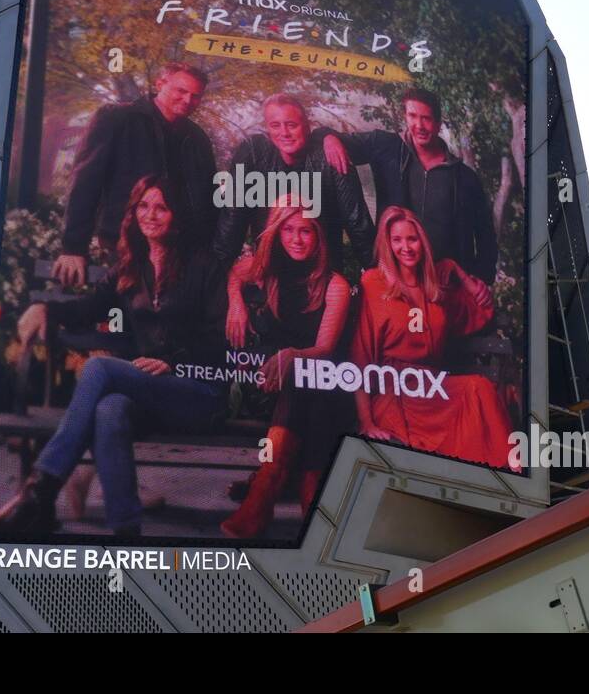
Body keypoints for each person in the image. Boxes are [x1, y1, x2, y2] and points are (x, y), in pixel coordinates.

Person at [0, 175, 228, 538]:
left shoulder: (204, 266)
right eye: (144, 206)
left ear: (177, 215)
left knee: (100, 367)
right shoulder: (130, 267)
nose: (151, 215)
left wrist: (175, 362)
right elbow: (88, 308)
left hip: (198, 390)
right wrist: (45, 309)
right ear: (134, 212)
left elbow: (222, 341)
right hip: (149, 393)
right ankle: (125, 530)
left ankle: (43, 486)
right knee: (109, 410)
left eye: (161, 207)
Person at [220, 197, 353, 538]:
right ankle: (311, 503)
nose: (296, 239)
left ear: (318, 236)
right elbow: (234, 276)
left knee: (308, 382)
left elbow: (324, 349)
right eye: (288, 230)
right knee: (311, 391)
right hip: (264, 387)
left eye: (305, 231)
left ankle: (265, 490)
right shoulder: (266, 272)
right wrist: (236, 303)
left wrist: (292, 355)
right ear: (277, 234)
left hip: (305, 385)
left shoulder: (335, 285)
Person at [350, 206, 512, 468]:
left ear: (422, 242)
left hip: (433, 387)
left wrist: (456, 271)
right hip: (396, 388)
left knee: (478, 388)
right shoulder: (373, 283)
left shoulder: (435, 286)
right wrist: (366, 422)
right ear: (387, 245)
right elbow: (359, 358)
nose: (406, 247)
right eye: (397, 240)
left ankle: (510, 477)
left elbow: (481, 311)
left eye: (412, 239)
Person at [52, 62, 216, 287]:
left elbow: (206, 200)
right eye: (181, 91)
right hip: (121, 247)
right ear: (160, 84)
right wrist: (73, 247)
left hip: (178, 255)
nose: (188, 100)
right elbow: (85, 182)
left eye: (195, 96)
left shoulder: (198, 139)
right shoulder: (118, 118)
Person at [319, 87, 498, 284]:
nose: (418, 125)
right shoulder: (386, 146)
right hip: (394, 276)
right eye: (412, 116)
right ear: (405, 116)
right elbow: (329, 136)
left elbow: (485, 234)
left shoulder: (465, 178)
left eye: (426, 118)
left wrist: (480, 279)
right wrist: (329, 138)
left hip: (444, 282)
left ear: (438, 124)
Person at [213, 93, 375, 269]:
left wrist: (377, 275)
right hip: (269, 270)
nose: (284, 133)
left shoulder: (330, 154)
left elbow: (358, 223)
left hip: (321, 272)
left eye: (292, 125)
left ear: (307, 126)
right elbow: (233, 214)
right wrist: (220, 270)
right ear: (267, 128)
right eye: (275, 125)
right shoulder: (253, 152)